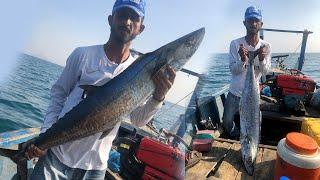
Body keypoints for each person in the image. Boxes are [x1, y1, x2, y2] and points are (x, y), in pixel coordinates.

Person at [26, 0, 176, 179]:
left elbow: (137, 120)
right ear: (111, 19)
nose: (127, 22)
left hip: (95, 168)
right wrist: (45, 135)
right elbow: (58, 95)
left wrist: (158, 97)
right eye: (122, 15)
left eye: (134, 18)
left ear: (140, 28)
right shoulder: (83, 55)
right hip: (56, 158)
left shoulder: (142, 73)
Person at [222, 6, 271, 138]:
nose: (253, 23)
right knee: (226, 121)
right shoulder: (235, 43)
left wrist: (261, 59)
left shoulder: (266, 46)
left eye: (256, 20)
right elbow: (233, 70)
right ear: (245, 23)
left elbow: (266, 71)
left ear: (261, 24)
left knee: (253, 124)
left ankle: (246, 138)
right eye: (250, 20)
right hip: (235, 92)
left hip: (253, 95)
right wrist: (243, 60)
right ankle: (237, 135)